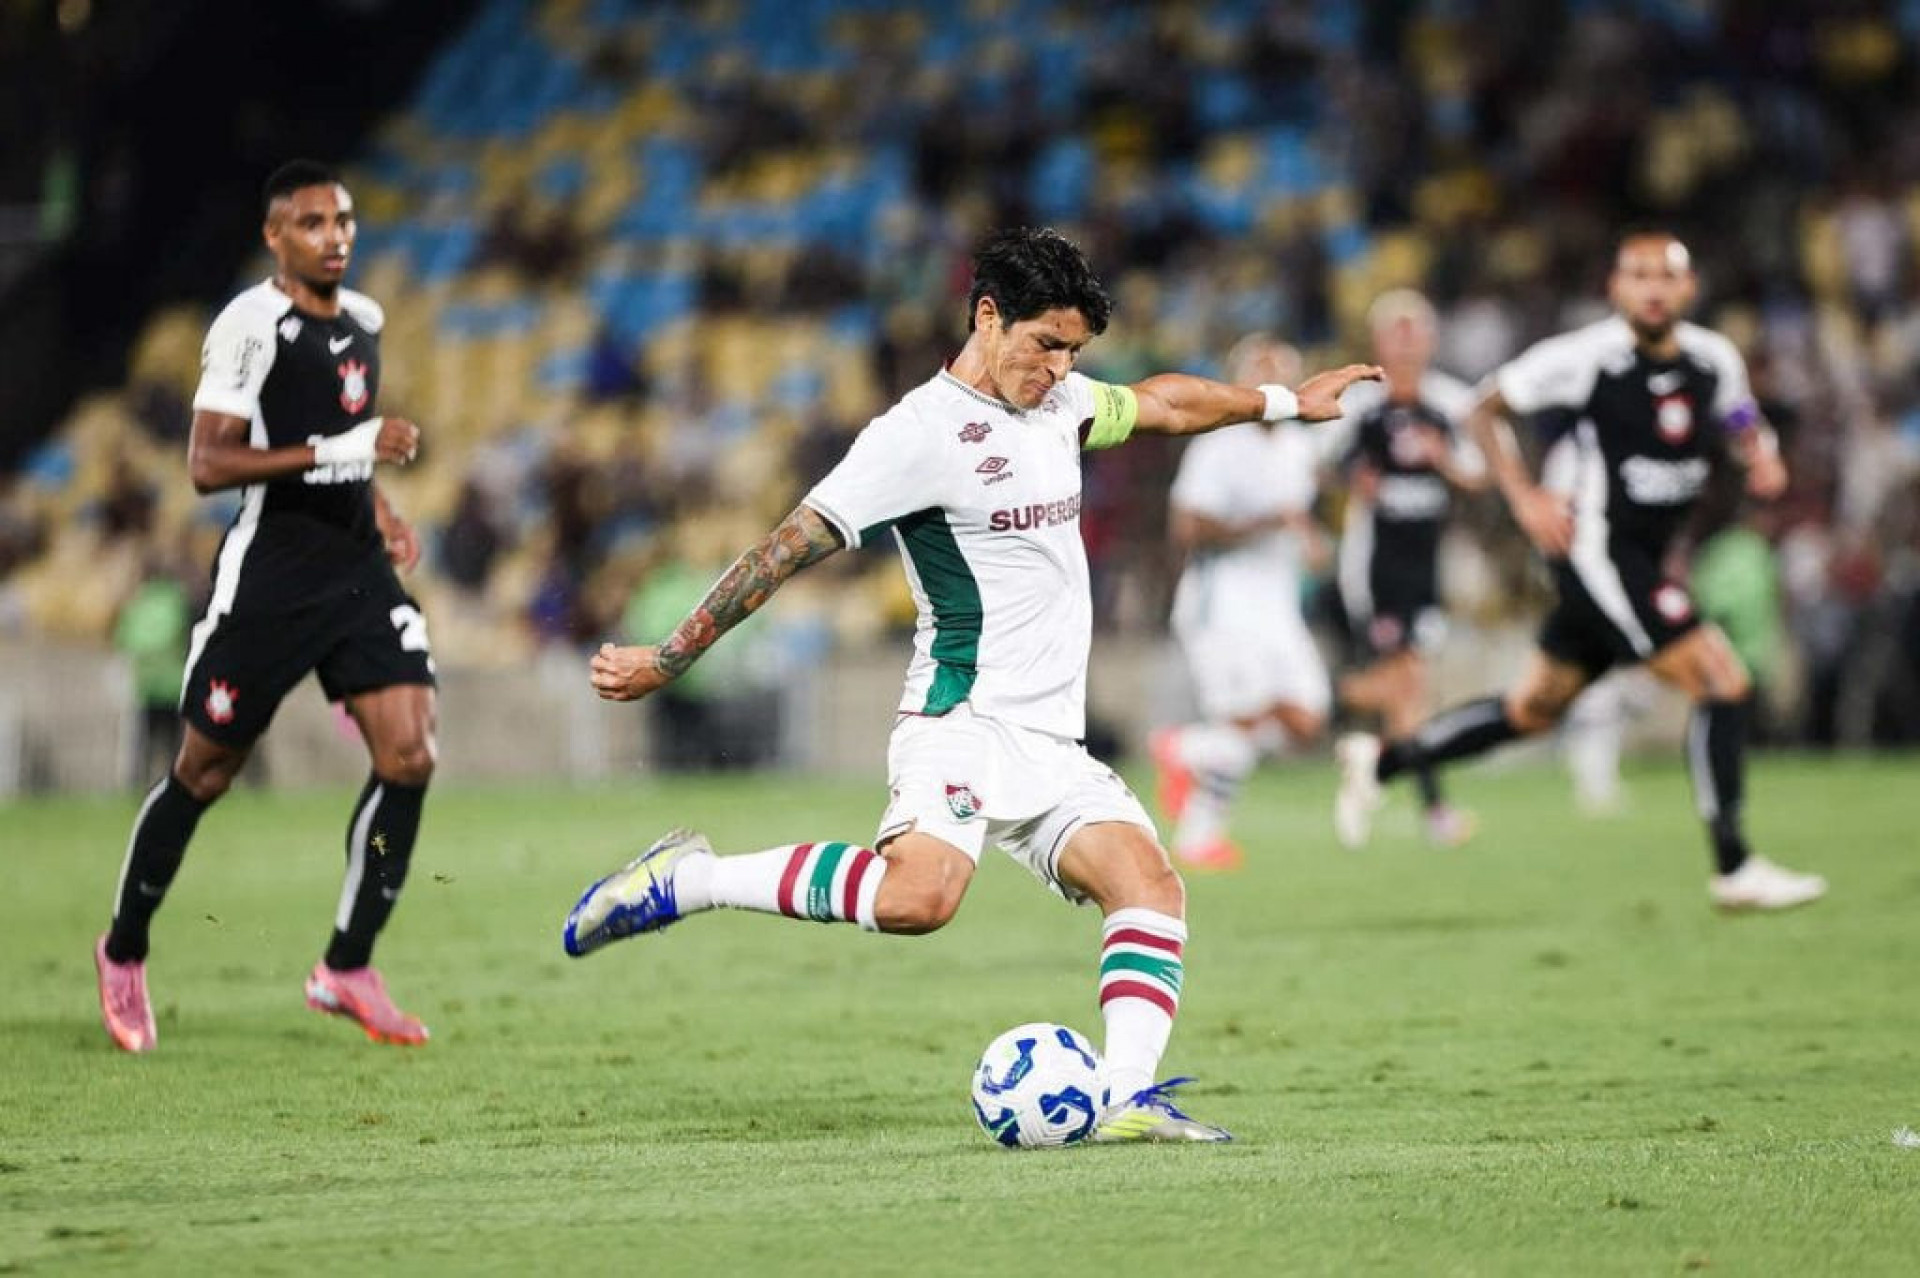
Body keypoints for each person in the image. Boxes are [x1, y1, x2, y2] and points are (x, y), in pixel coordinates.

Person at [563, 227, 1380, 1141]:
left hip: (1049, 740)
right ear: (988, 316)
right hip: (959, 718)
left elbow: (1164, 404)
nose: (1060, 366)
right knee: (920, 900)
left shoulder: (1061, 404)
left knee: (1150, 887)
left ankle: (1124, 1098)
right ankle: (691, 879)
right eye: (1046, 344)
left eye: (1074, 349)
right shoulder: (914, 437)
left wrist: (1281, 403)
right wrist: (668, 657)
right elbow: (782, 549)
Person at [1333, 232, 1827, 911]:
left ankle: (1380, 761)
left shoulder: (1714, 359)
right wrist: (1525, 497)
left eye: (1667, 276)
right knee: (1720, 679)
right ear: (1615, 289)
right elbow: (1483, 409)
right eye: (1638, 275)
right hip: (1596, 551)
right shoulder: (1585, 358)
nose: (1653, 287)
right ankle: (1734, 866)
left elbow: (1740, 416)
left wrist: (1760, 454)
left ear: (1688, 289)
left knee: (1532, 710)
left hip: (1644, 557)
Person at [93, 160, 438, 1053]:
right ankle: (123, 950)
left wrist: (386, 508)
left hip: (356, 569)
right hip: (272, 579)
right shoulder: (249, 326)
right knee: (203, 774)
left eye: (346, 221)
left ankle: (347, 966)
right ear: (275, 236)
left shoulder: (364, 323)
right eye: (315, 223)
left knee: (411, 751)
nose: (337, 237)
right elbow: (209, 464)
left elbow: (343, 451)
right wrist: (343, 445)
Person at [1147, 335, 1330, 871]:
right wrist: (1264, 523)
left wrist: (1308, 534)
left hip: (1277, 598)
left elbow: (1300, 509)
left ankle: (1183, 749)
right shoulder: (1217, 445)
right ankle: (1200, 835)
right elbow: (1186, 527)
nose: (1271, 383)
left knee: (1305, 719)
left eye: (1282, 372)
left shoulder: (1300, 446)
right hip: (1224, 596)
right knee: (1243, 720)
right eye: (1260, 373)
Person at [1331, 289, 1487, 847]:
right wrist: (1353, 480)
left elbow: (1478, 473)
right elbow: (1323, 465)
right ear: (1377, 340)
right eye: (1394, 329)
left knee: (1407, 692)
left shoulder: (1451, 402)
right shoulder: (1357, 402)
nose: (1404, 340)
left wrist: (1442, 459)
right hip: (1375, 563)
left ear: (1431, 338)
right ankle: (1431, 806)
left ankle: (1358, 745)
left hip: (1427, 562)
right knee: (1410, 684)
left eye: (1413, 329)